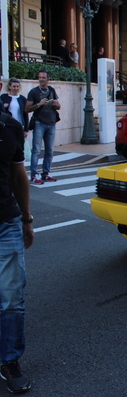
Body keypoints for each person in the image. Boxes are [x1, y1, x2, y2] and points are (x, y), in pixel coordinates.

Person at [0, 110, 34, 394]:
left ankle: (10, 361)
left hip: (6, 222)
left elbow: (18, 175)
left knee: (11, 297)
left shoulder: (10, 126)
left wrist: (27, 219)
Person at [26, 70, 60, 184]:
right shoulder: (33, 92)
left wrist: (55, 104)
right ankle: (34, 174)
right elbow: (27, 109)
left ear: (48, 79)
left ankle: (46, 173)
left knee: (49, 151)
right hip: (39, 123)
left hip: (51, 123)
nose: (41, 79)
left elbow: (59, 106)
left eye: (43, 77)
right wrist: (39, 104)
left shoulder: (51, 90)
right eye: (39, 77)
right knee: (36, 150)